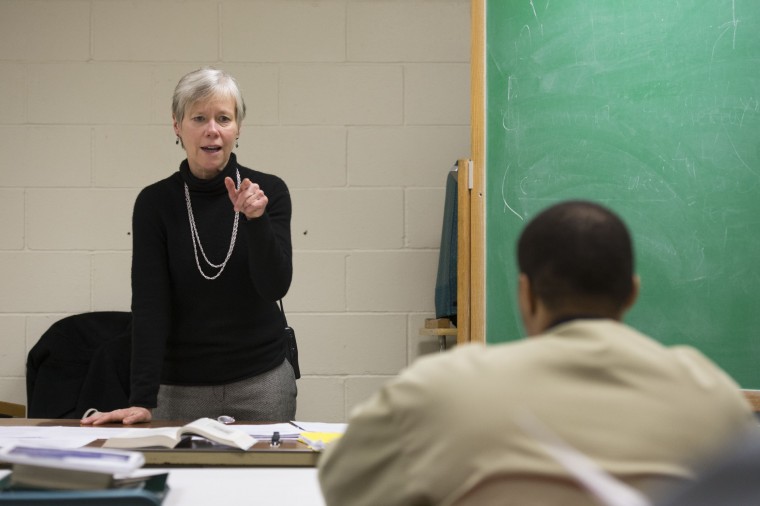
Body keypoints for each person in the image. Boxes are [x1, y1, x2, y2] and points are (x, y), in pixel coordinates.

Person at [318, 200, 759, 506]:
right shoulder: (712, 399)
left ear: (526, 294)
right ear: (631, 294)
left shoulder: (444, 390)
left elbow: (343, 484)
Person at [82, 67, 296, 425]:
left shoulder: (268, 192)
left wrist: (256, 221)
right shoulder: (155, 203)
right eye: (199, 117)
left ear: (237, 128)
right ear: (178, 126)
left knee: (264, 480)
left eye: (224, 118)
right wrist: (142, 398)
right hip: (180, 387)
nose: (212, 129)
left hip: (261, 381)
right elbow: (150, 305)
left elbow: (275, 286)